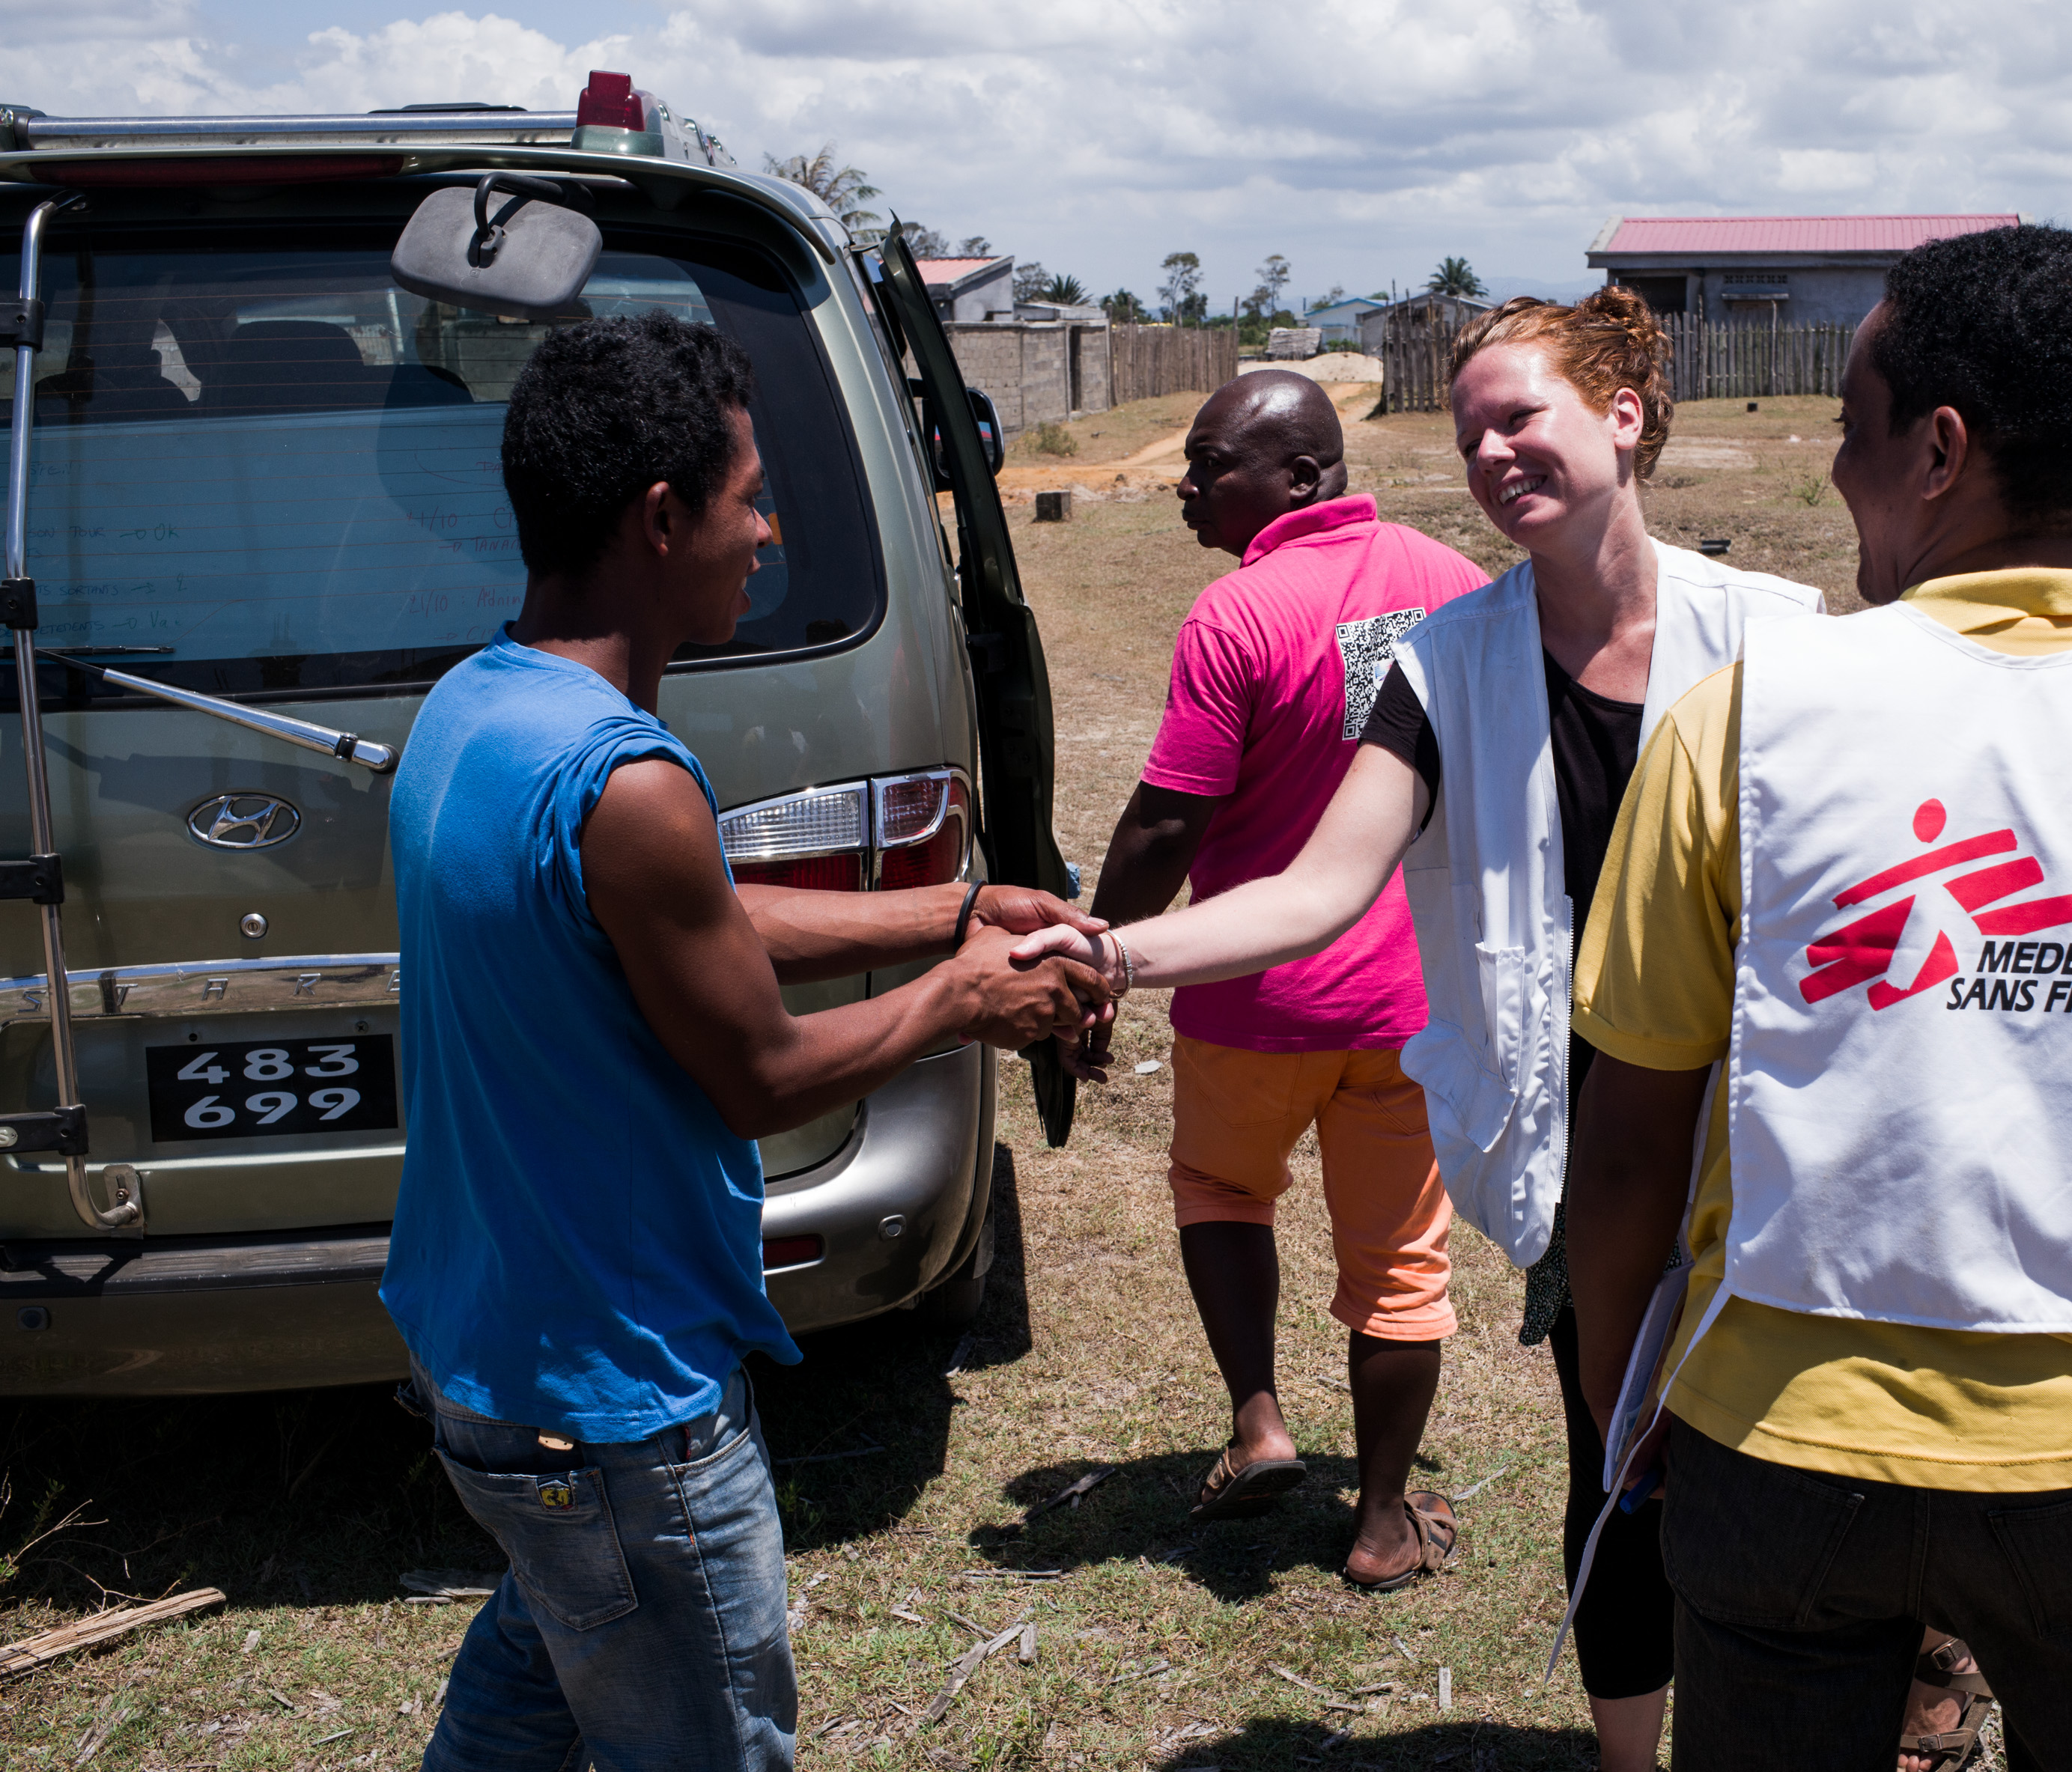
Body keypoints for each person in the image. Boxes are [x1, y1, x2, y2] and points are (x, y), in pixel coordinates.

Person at [1561, 224, 2072, 1772]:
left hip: (1775, 1433)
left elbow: (1628, 1145)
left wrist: (1624, 1409)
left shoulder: (1743, 722)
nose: (1830, 467)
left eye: (1850, 430)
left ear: (1936, 450)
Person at [1021, 292, 1823, 1771]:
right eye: (1467, 436)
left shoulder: (1779, 640)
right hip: (1598, 1140)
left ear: (1623, 416)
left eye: (1520, 416)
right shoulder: (1444, 662)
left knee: (1792, 1467)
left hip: (1769, 1123)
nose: (1492, 452)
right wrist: (1111, 949)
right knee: (1618, 1467)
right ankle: (1625, 1756)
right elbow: (1317, 886)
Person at [382, 312, 1110, 1772]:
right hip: (621, 1404)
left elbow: (688, 914)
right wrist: (963, 997)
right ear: (662, 519)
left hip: (495, 1362)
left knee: (528, 1705)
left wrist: (949, 905)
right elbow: (761, 1072)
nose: (766, 530)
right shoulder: (622, 775)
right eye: (749, 495)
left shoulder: (479, 707)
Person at [1075, 369, 1490, 1588]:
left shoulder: (1239, 614)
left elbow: (1166, 823)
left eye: (1211, 465)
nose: (1186, 486)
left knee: (1219, 1186)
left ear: (1300, 478)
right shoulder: (1453, 585)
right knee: (1403, 1263)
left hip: (1253, 997)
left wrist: (1102, 957)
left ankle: (1260, 1423)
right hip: (1409, 1008)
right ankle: (1379, 1524)